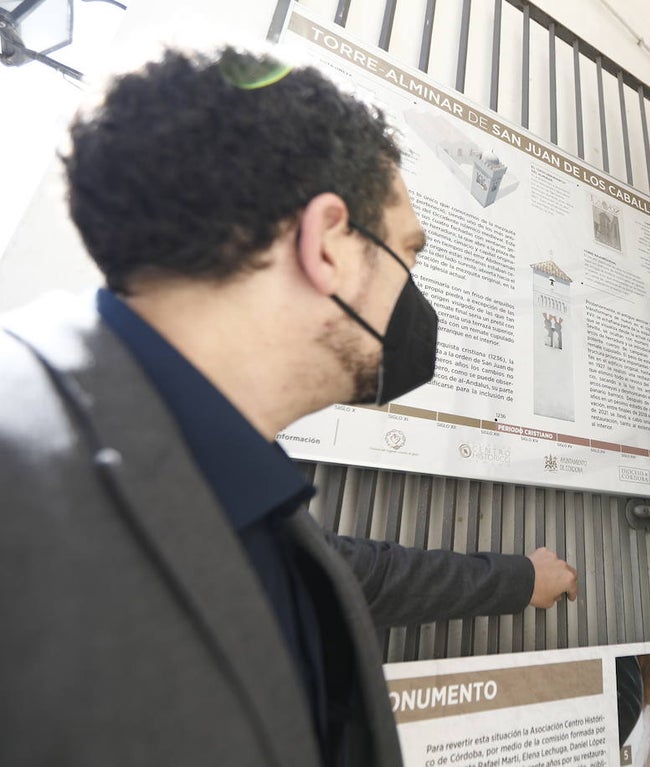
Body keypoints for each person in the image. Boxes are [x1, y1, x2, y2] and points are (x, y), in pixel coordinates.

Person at [0, 48, 575, 767]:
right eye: (407, 254)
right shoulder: (20, 472)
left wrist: (521, 578)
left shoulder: (225, 477)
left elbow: (357, 577)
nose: (414, 298)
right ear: (330, 245)